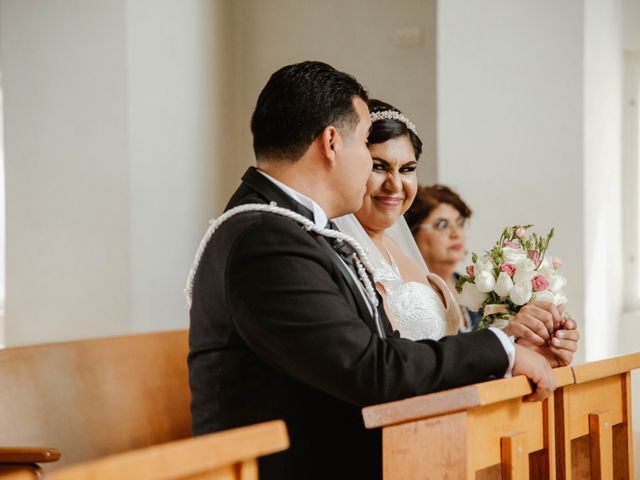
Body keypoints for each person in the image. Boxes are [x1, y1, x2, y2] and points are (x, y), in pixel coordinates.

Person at [186, 61, 555, 480]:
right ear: (331, 143)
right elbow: (369, 369)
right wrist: (500, 349)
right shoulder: (266, 238)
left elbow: (382, 349)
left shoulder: (295, 228)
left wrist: (504, 360)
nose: (370, 168)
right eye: (365, 144)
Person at [336, 100, 578, 365]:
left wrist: (519, 346)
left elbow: (446, 352)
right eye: (379, 166)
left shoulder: (399, 251)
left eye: (407, 169)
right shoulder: (339, 256)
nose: (395, 185)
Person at [404, 184, 482, 330]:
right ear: (412, 233)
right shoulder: (411, 295)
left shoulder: (472, 286)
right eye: (442, 225)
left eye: (459, 223)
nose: (456, 234)